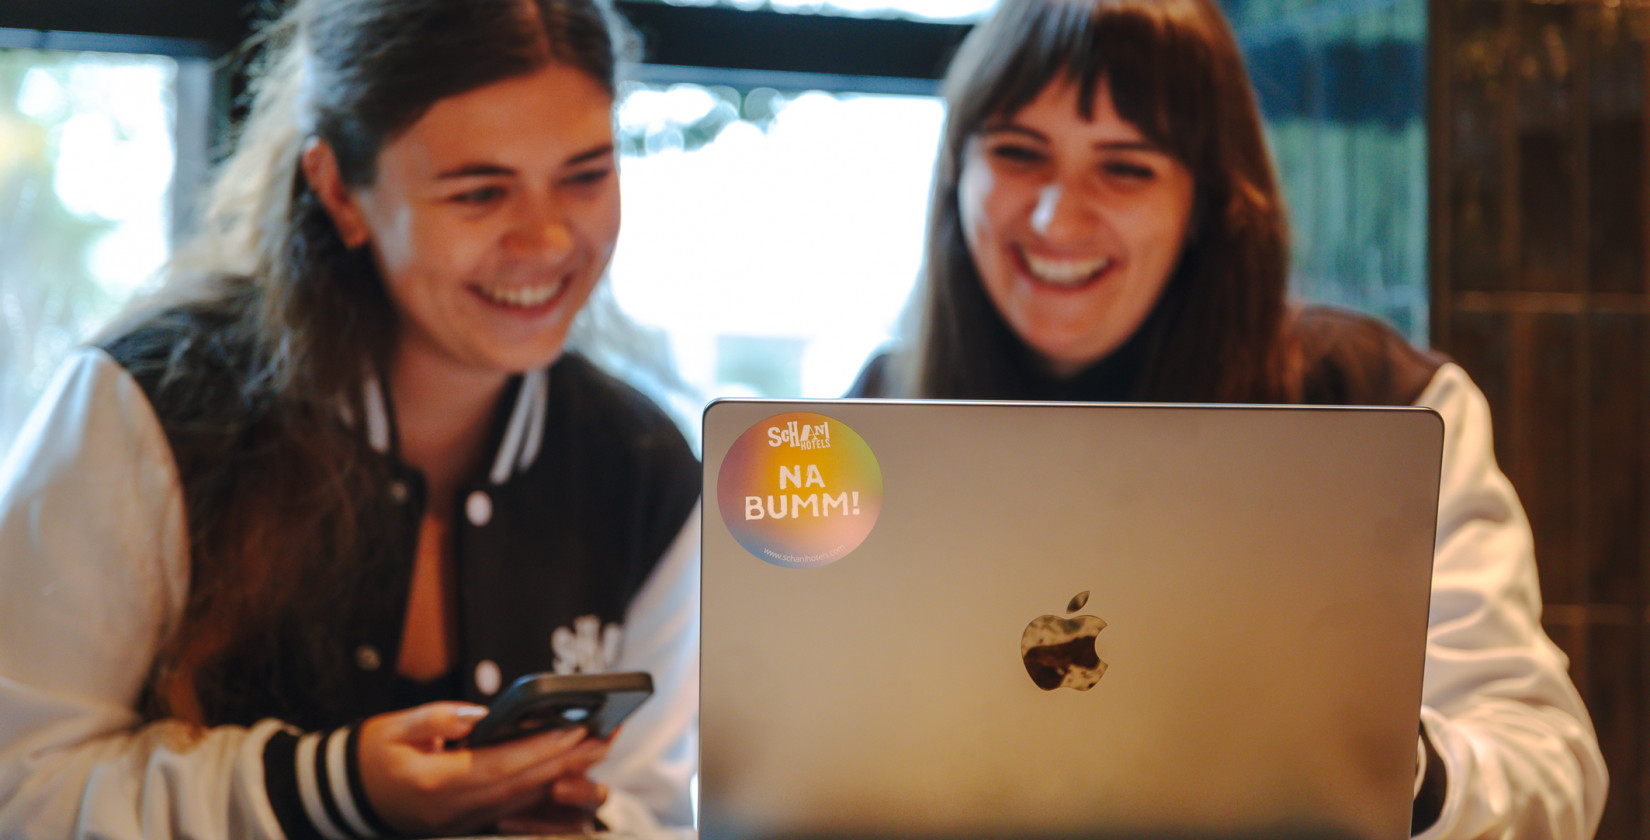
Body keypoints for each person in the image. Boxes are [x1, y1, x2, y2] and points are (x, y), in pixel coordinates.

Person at [845, 0, 1608, 837]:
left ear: (1207, 201)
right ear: (957, 171)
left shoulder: (1377, 401)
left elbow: (1548, 773)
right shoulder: (877, 420)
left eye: (1125, 167)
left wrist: (1388, 760)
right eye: (1019, 154)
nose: (1056, 217)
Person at [0, 0, 702, 837]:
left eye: (586, 175)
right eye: (480, 192)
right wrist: (337, 785)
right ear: (339, 190)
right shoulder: (149, 407)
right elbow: (20, 789)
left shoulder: (645, 465)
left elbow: (655, 808)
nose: (549, 239)